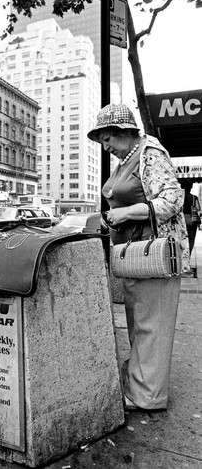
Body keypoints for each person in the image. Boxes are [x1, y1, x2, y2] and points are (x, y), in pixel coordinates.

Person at [87, 103, 189, 411]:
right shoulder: (129, 158)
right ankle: (139, 386)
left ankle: (148, 398)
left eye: (107, 138)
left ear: (125, 132)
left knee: (152, 327)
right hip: (136, 256)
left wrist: (126, 212)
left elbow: (172, 200)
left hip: (154, 257)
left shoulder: (150, 153)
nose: (105, 146)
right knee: (140, 326)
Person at [181, 180, 201, 255]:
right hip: (192, 220)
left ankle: (183, 255)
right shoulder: (193, 197)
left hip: (182, 219)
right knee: (191, 238)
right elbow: (198, 208)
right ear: (191, 187)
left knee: (182, 238)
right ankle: (188, 255)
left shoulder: (180, 197)